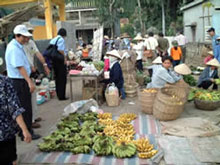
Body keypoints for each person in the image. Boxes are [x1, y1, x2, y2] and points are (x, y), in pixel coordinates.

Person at [5, 25, 41, 140]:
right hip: (19, 81)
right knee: (24, 107)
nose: (27, 39)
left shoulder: (18, 46)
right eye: (24, 37)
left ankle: (25, 130)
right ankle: (25, 132)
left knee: (24, 105)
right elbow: (20, 67)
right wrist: (29, 82)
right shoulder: (14, 48)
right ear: (17, 36)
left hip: (20, 80)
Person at [0, 74, 32, 165]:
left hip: (6, 134)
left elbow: (14, 108)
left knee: (10, 158)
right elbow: (14, 108)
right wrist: (25, 130)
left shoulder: (4, 82)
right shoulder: (4, 81)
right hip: (6, 133)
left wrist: (24, 130)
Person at [23, 27, 50, 129]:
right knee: (27, 99)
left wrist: (45, 65)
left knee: (33, 95)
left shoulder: (31, 43)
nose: (30, 35)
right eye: (29, 33)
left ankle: (34, 116)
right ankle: (30, 121)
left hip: (31, 72)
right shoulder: (18, 46)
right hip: (24, 74)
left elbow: (38, 54)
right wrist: (30, 66)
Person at [49, 28, 68, 100]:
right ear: (64, 34)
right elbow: (60, 49)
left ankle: (58, 94)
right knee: (62, 78)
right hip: (60, 61)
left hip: (54, 61)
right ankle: (62, 96)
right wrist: (64, 58)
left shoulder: (53, 40)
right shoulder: (61, 39)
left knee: (57, 78)